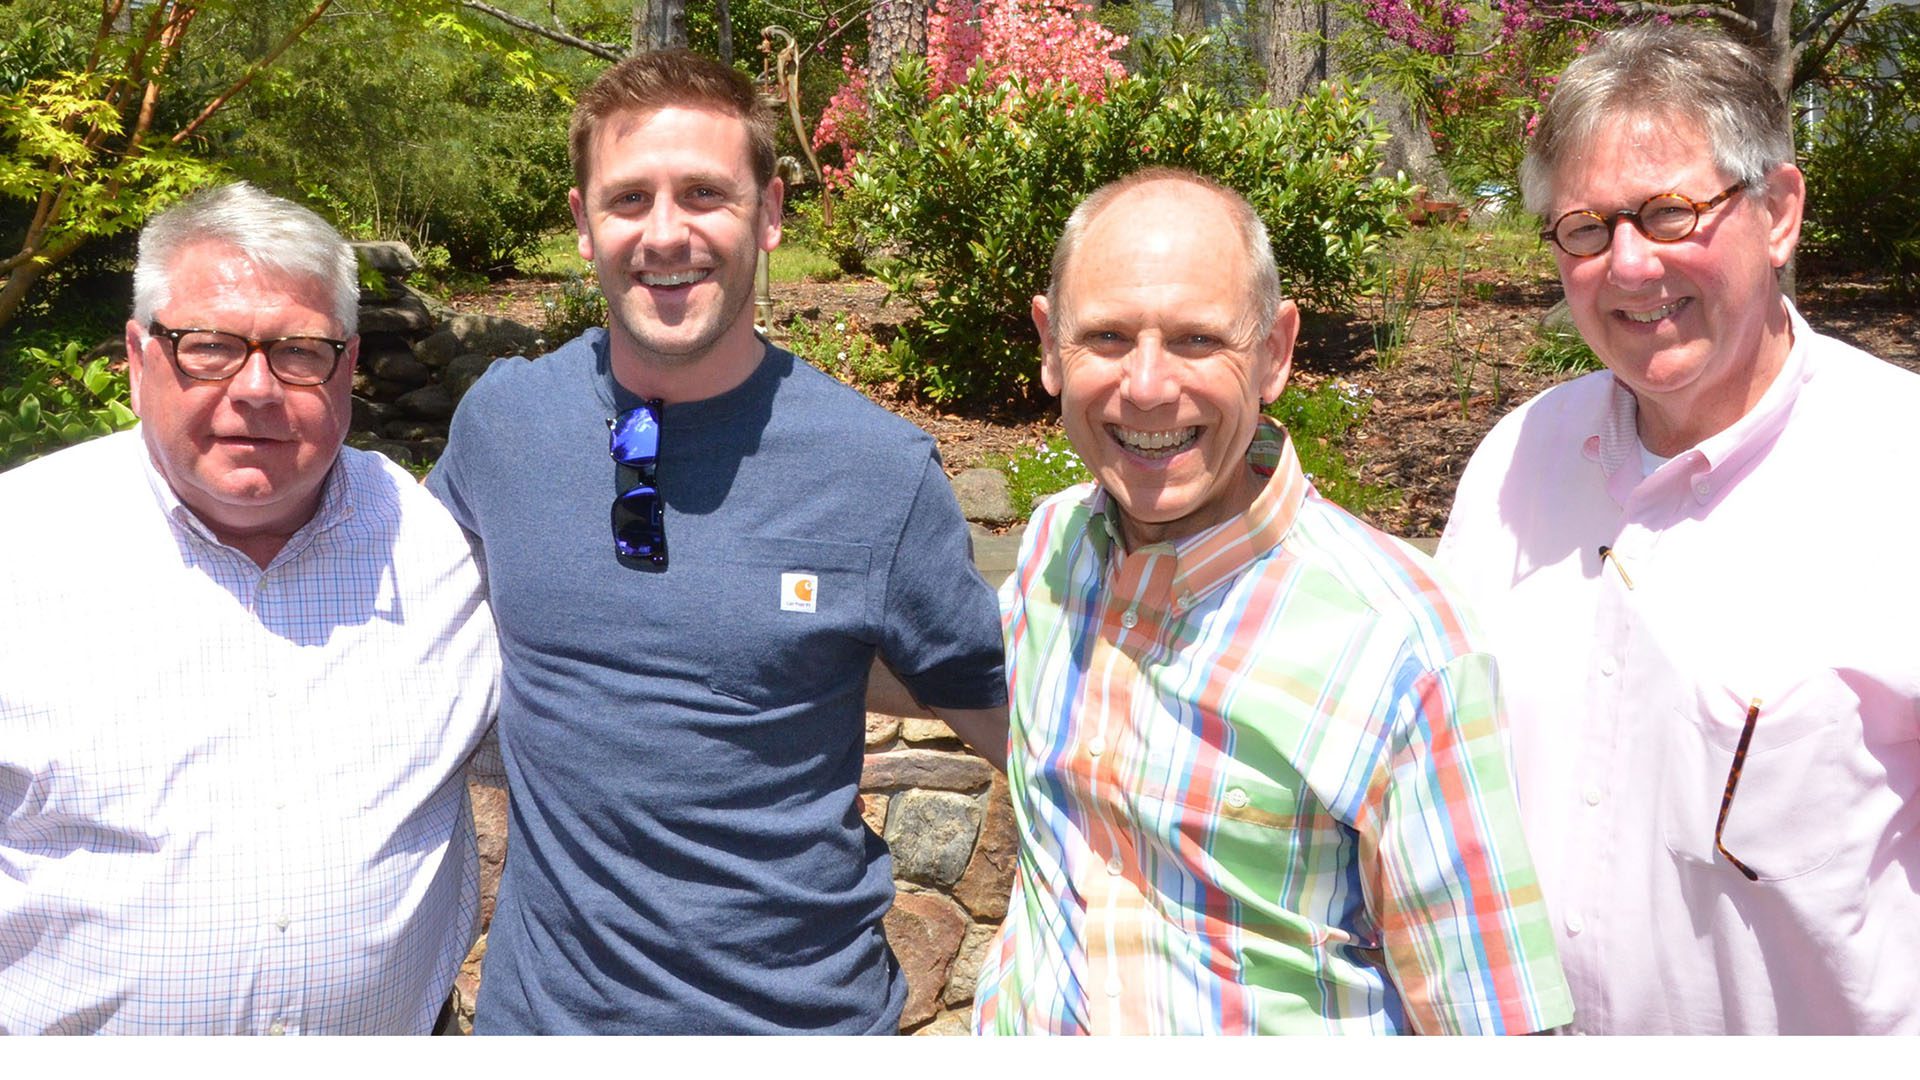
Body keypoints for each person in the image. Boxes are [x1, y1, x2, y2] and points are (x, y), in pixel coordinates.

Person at [426, 49, 1007, 1034]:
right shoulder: (503, 428)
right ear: (582, 224)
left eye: (704, 193)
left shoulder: (876, 472)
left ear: (770, 212)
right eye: (628, 199)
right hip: (545, 1026)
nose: (665, 233)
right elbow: (389, 624)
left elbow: (1030, 742)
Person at [970, 167, 1570, 1035]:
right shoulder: (1052, 550)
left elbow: (1488, 1022)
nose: (1145, 385)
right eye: (1104, 336)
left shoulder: (1401, 642)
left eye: (1197, 341)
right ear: (1048, 345)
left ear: (1276, 352)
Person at [1436, 23, 1920, 1034]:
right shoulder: (1515, 466)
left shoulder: (1897, 474)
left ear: (1780, 211)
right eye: (1585, 228)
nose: (1629, 267)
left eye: (1669, 213)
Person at [0, 182, 500, 1035]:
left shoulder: (436, 548)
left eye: (300, 350)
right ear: (137, 354)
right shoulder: (21, 552)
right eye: (210, 346)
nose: (257, 389)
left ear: (346, 364)